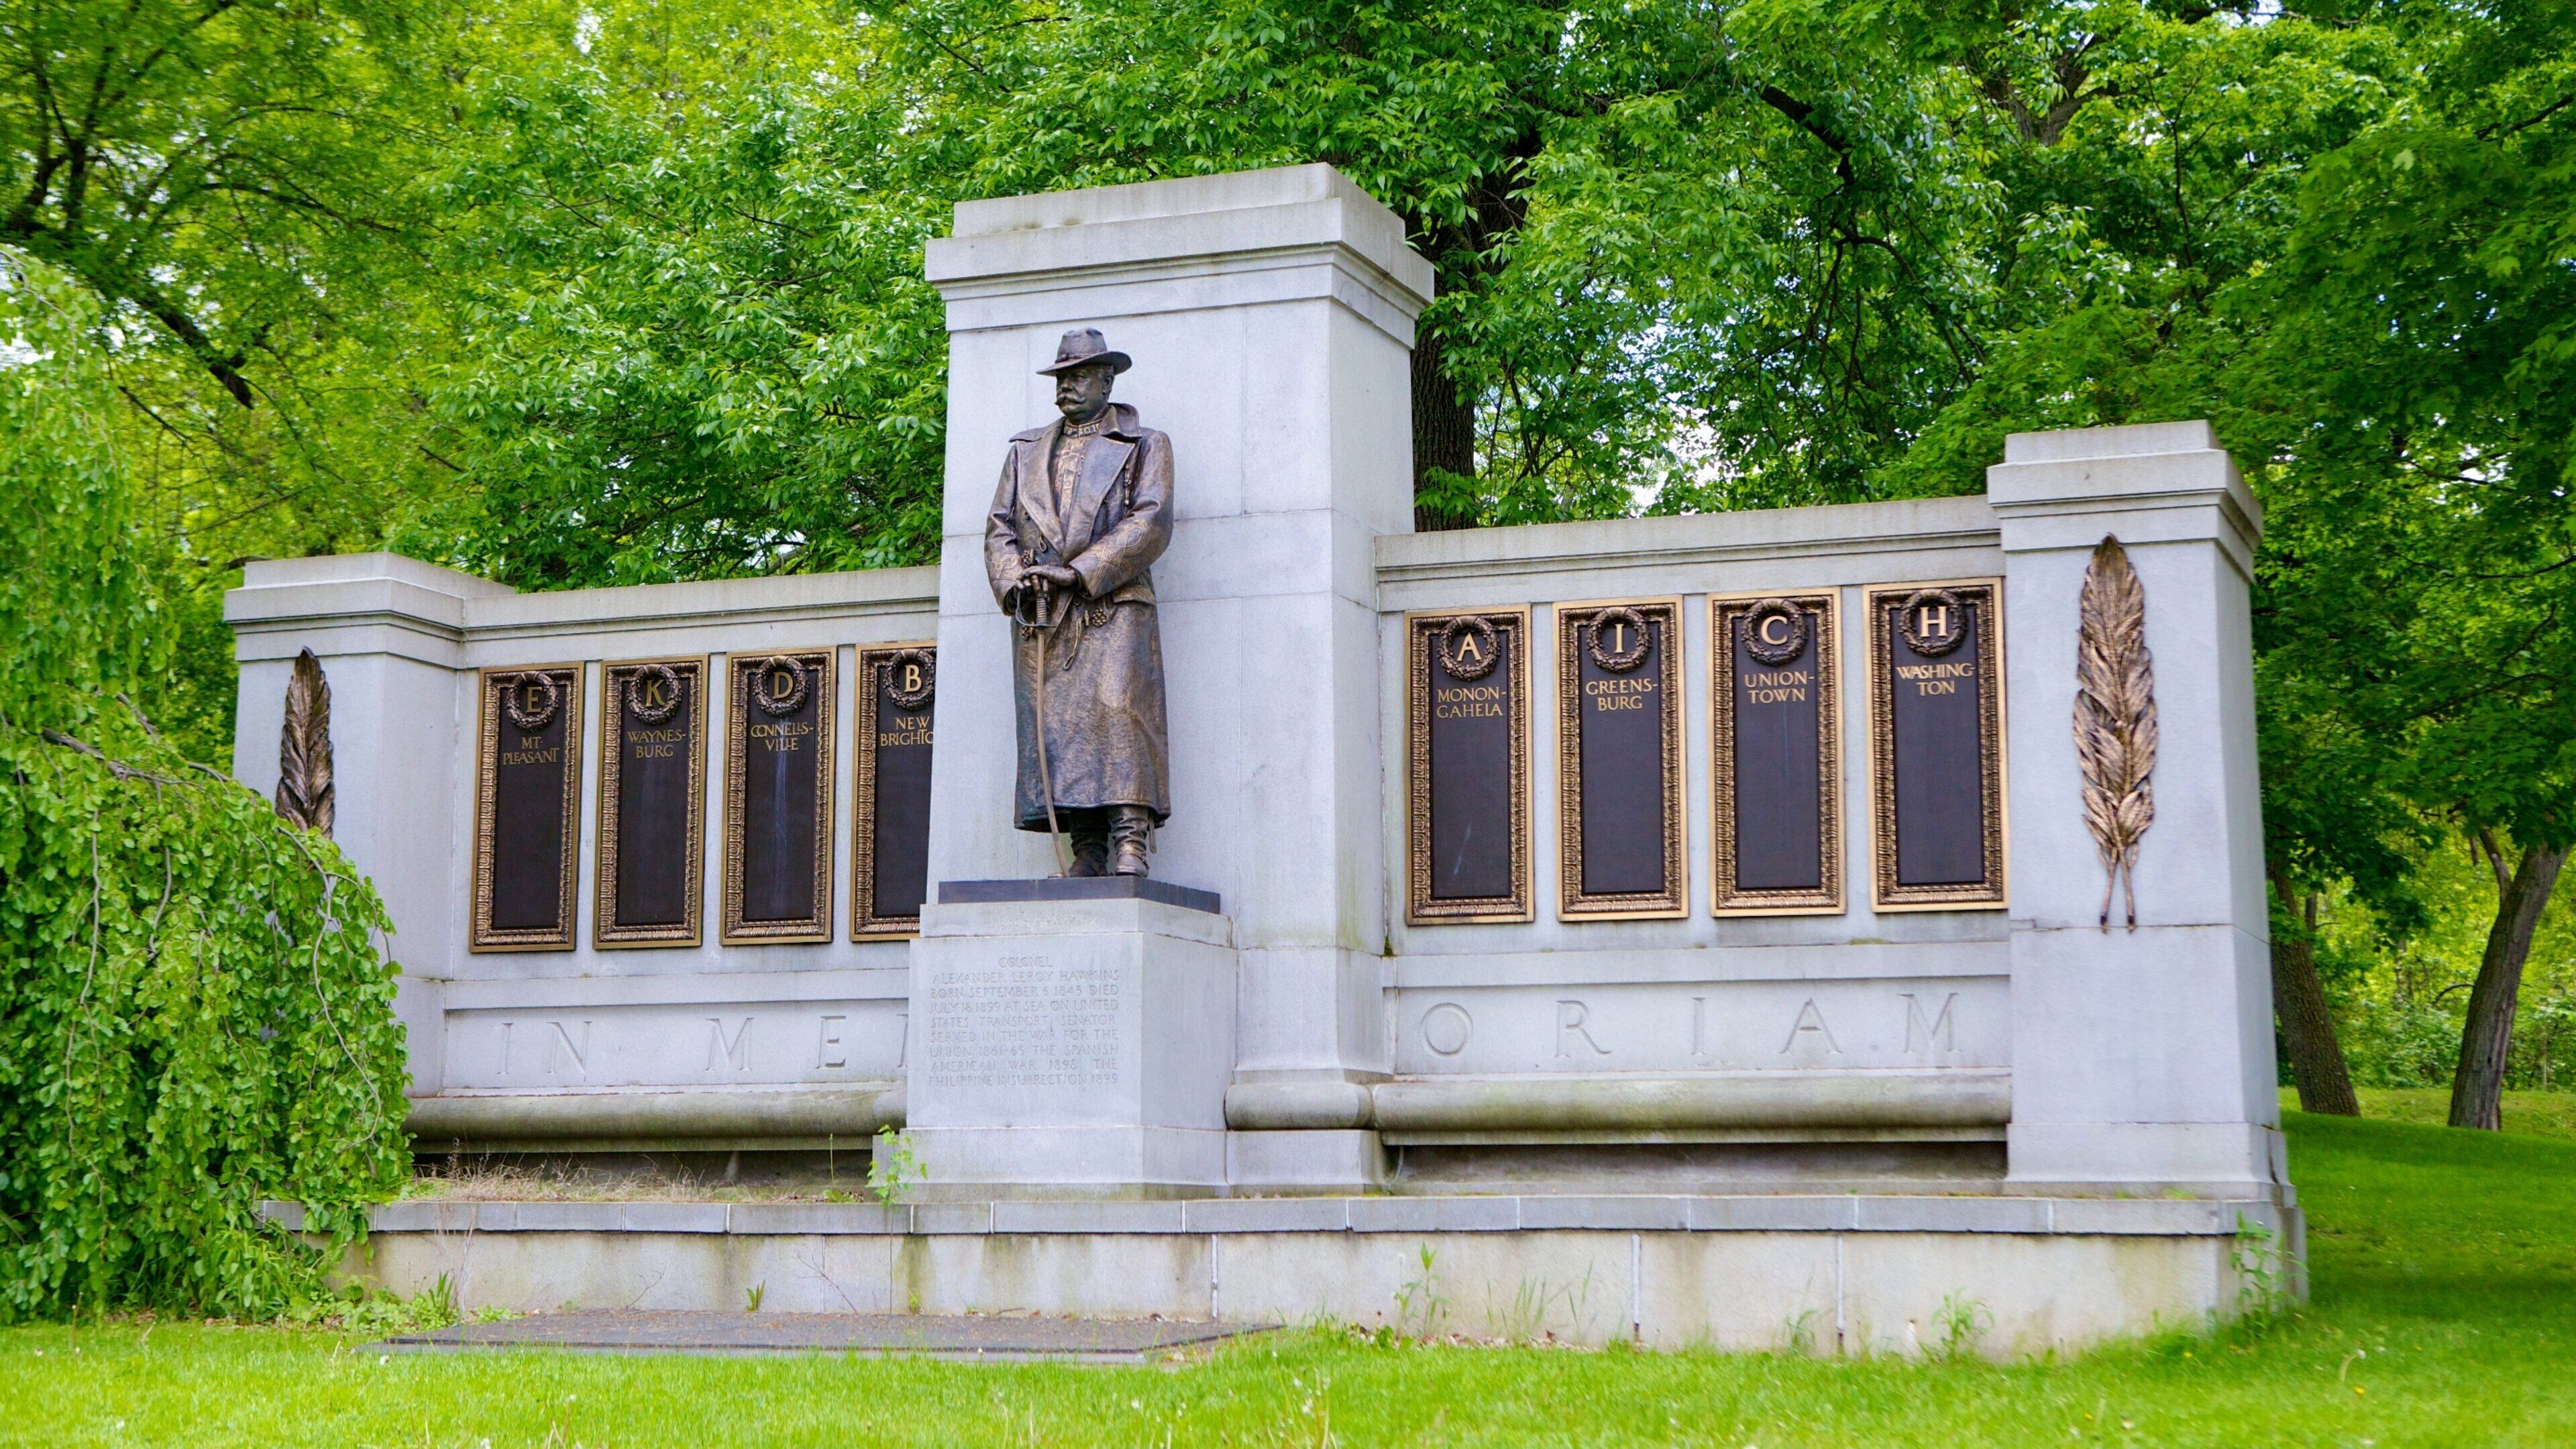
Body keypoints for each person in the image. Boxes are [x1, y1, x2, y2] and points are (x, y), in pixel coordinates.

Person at [982, 328, 1175, 877]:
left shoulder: (1145, 444)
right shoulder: (1025, 451)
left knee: (1118, 714)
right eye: (1061, 377)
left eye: (1079, 376)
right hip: (1044, 613)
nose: (1066, 387)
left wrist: (1078, 572)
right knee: (1057, 730)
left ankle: (1130, 839)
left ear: (1107, 380)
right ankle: (1087, 849)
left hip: (1108, 605)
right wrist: (1015, 579)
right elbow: (999, 528)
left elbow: (1151, 521)